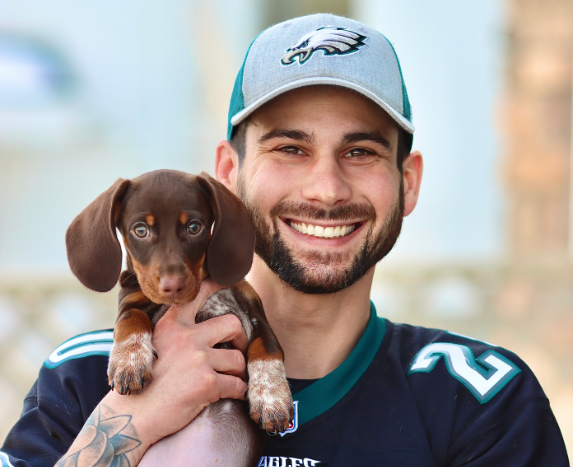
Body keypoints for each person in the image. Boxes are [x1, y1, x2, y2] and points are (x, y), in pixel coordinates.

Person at [1, 13, 569, 467]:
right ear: (227, 173)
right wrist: (134, 421)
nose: (326, 189)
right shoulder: (81, 377)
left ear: (408, 182)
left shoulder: (481, 401)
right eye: (289, 149)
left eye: (361, 151)